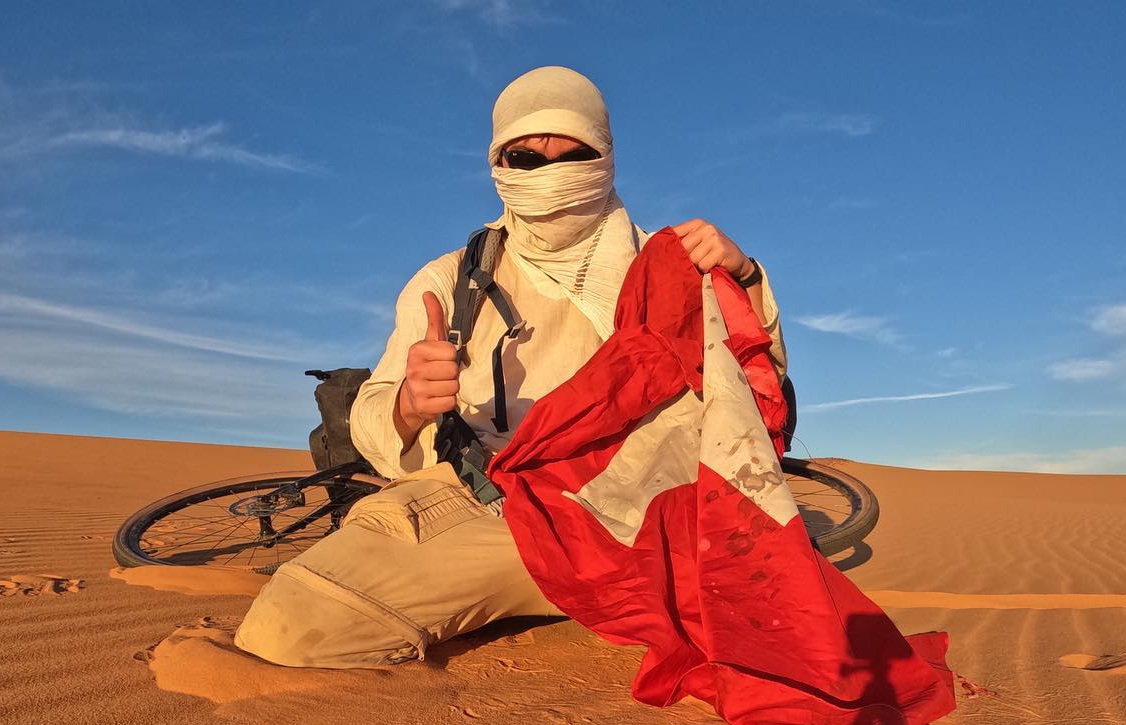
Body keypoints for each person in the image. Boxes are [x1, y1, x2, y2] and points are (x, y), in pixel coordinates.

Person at [234, 66, 787, 668]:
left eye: (572, 152)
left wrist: (745, 280)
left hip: (647, 509)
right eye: (524, 157)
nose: (549, 173)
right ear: (497, 163)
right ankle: (576, 596)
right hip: (492, 511)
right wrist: (409, 405)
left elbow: (754, 389)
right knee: (291, 625)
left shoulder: (672, 268)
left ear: (605, 157)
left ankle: (592, 595)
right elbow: (375, 428)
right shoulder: (449, 280)